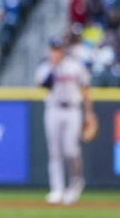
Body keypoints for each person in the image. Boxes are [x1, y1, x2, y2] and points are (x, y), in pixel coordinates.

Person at [35, 37, 94, 206]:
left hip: (73, 110)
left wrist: (89, 113)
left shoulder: (75, 66)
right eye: (53, 49)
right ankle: (57, 189)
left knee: (71, 149)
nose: (55, 52)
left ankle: (76, 182)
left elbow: (86, 89)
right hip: (53, 109)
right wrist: (54, 67)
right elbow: (44, 84)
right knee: (54, 152)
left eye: (58, 49)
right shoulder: (45, 67)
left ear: (63, 50)